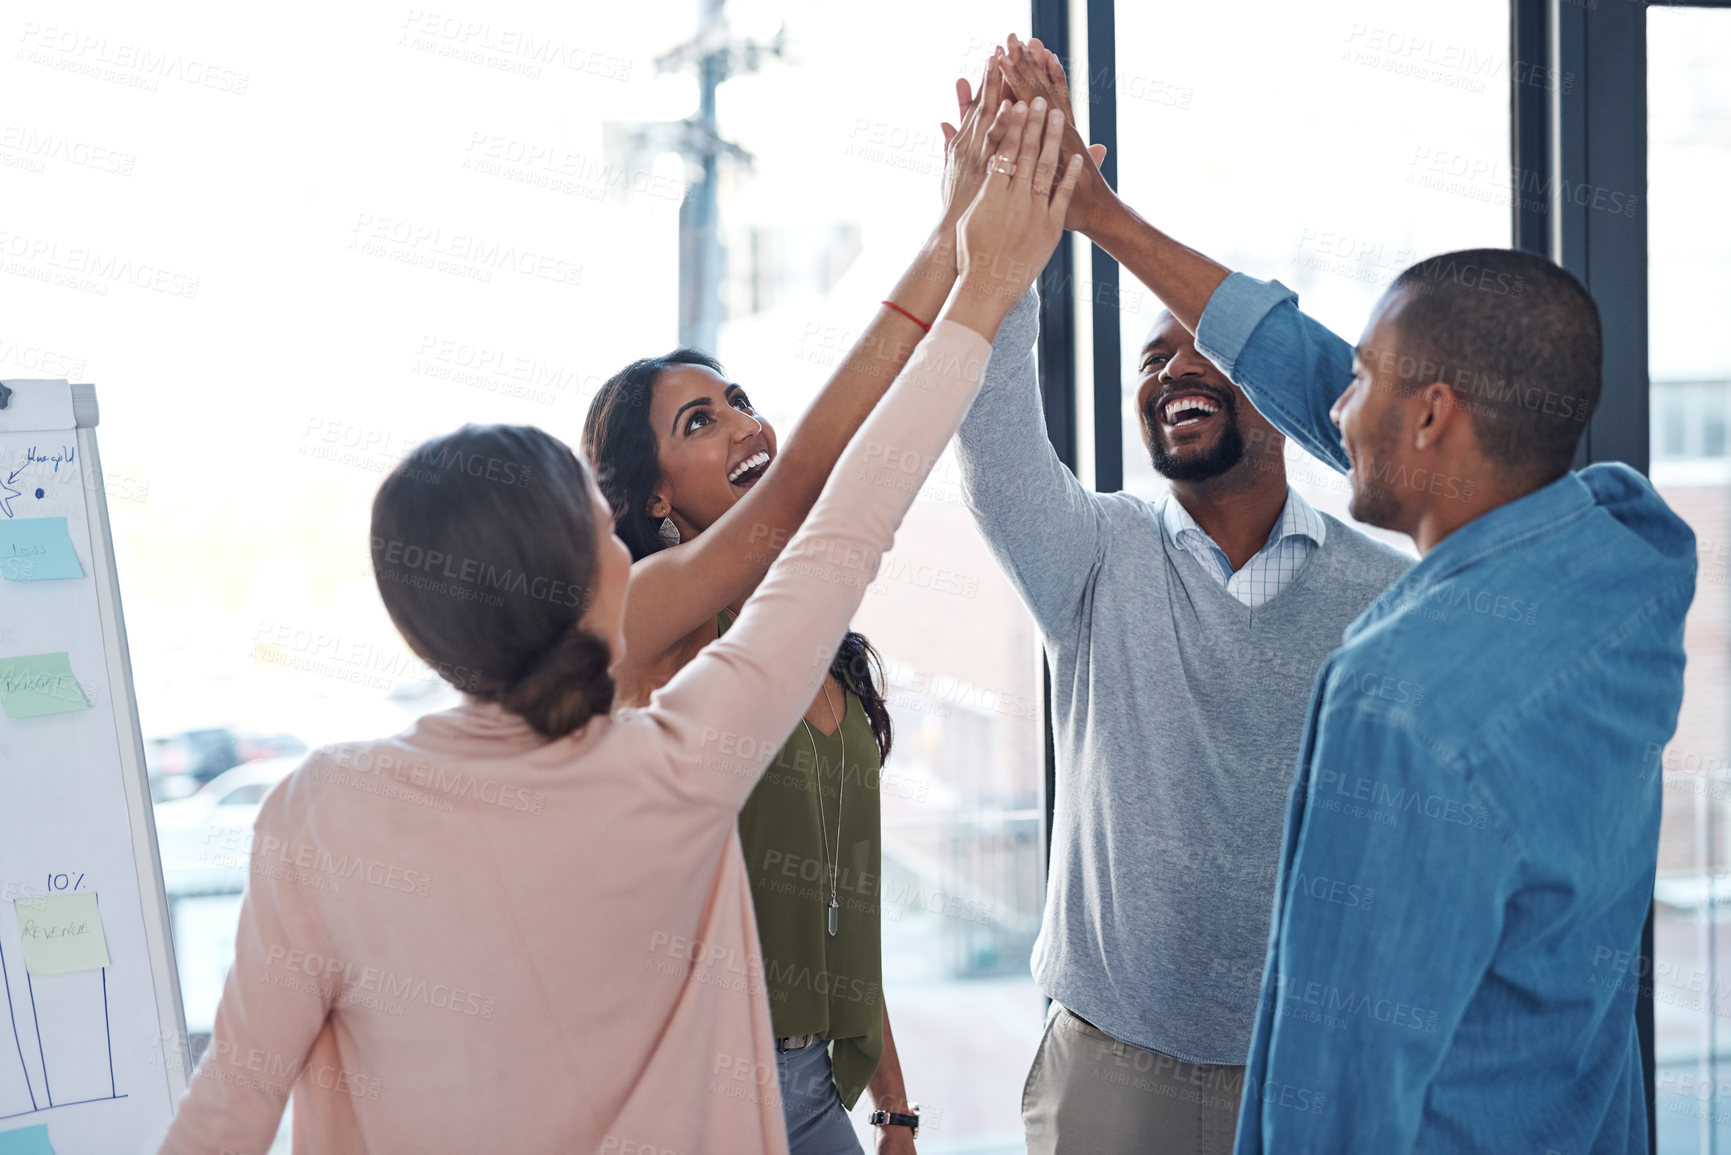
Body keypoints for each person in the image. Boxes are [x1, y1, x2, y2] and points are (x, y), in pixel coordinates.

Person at [155, 97, 1082, 1155]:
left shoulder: (316, 813)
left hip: (822, 1082)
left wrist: (966, 255)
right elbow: (842, 517)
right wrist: (984, 275)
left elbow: (224, 1113)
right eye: (605, 525)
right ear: (596, 573)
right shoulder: (678, 763)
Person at [998, 33, 1697, 1154]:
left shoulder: (1394, 693)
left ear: (1430, 418)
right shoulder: (1626, 561)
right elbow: (1326, 379)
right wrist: (1103, 216)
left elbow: (1337, 1083)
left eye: (1364, 379)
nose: (1337, 407)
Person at [580, 60, 1010, 1155]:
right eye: (696, 425)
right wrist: (958, 237)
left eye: (737, 403)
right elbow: (823, 468)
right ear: (648, 499)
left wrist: (897, 1107)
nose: (739, 426)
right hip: (702, 1094)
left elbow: (841, 901)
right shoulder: (647, 626)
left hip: (825, 1088)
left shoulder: (809, 631)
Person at [953, 153, 1410, 1155]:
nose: (1176, 369)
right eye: (1155, 359)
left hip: (1305, 1066)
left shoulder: (1384, 592)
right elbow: (994, 449)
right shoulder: (1096, 552)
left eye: (1210, 349)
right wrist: (999, 251)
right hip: (1112, 1073)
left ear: (1288, 405)